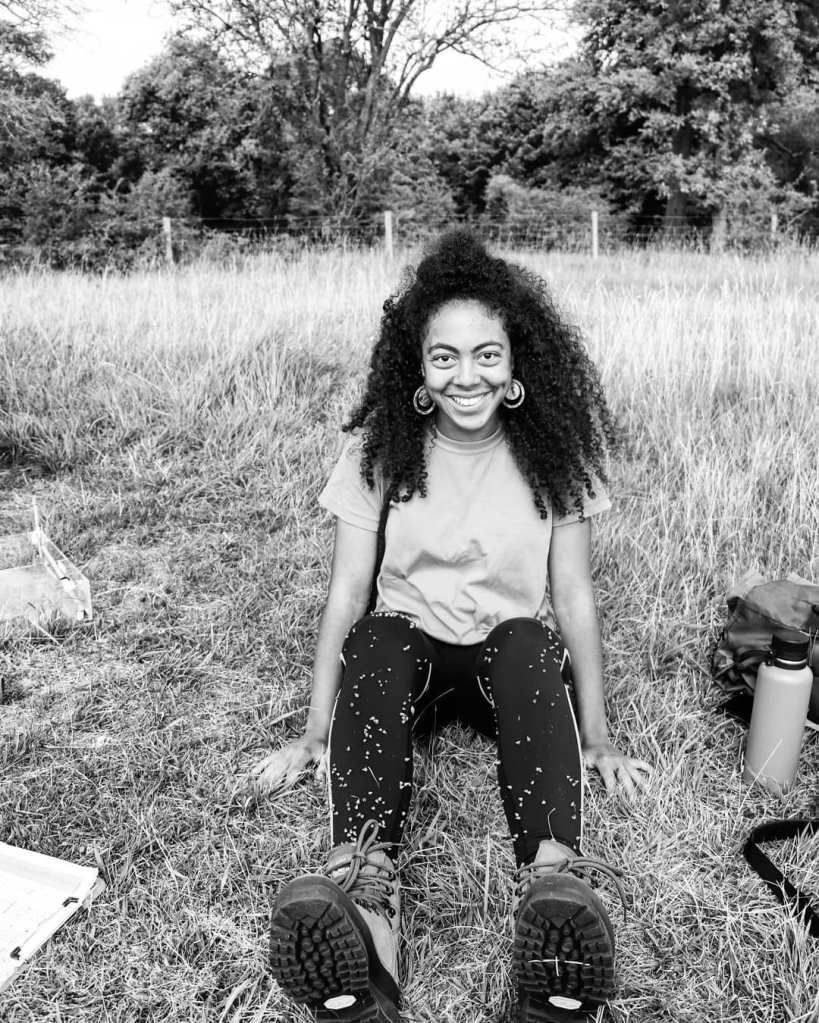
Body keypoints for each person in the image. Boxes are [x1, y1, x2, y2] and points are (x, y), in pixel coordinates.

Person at [252, 229, 652, 1023]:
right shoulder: (379, 454)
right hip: (414, 661)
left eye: (485, 354)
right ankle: (366, 908)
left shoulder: (556, 456)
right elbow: (347, 593)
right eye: (444, 356)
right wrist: (313, 731)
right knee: (377, 635)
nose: (466, 374)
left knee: (528, 639)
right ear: (418, 370)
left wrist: (598, 733)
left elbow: (572, 597)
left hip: (506, 661)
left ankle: (554, 901)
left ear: (515, 364)